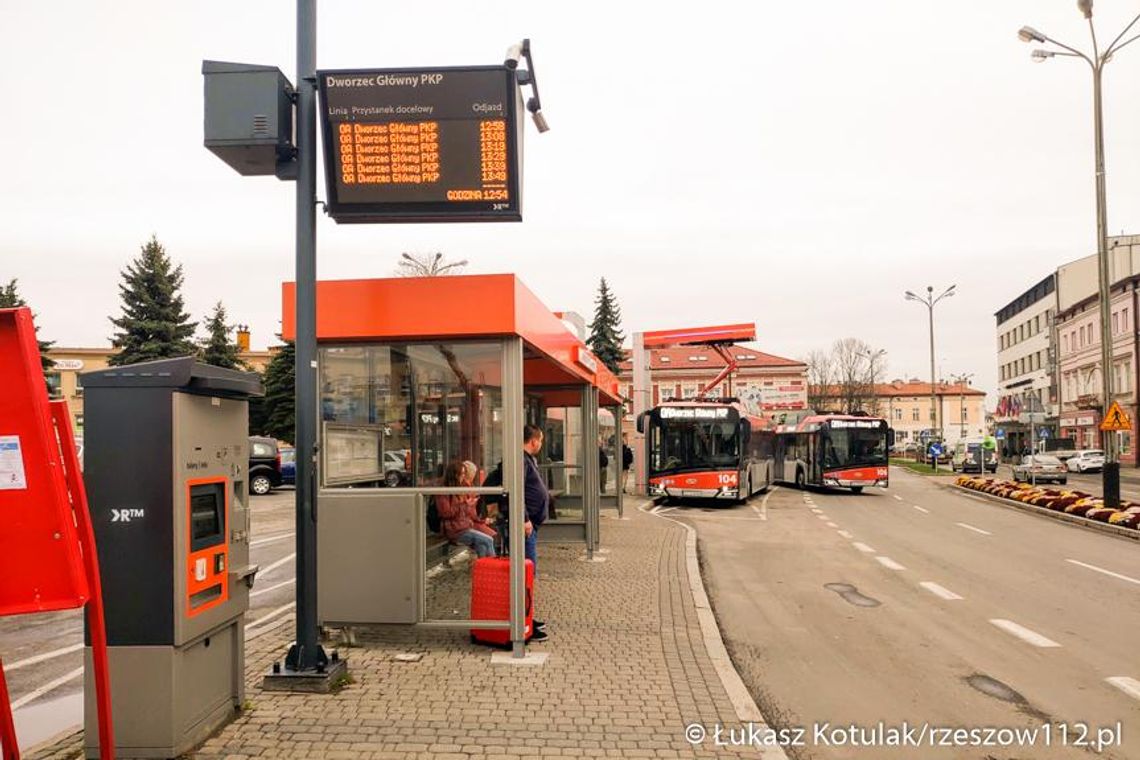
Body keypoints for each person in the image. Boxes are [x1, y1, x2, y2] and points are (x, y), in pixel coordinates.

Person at [434, 460, 496, 558]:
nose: (463, 476)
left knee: (482, 546)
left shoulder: (459, 488)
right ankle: (492, 568)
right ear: (454, 474)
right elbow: (446, 513)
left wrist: (469, 505)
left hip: (463, 526)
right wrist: (464, 504)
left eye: (464, 473)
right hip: (454, 529)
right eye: (461, 474)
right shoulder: (443, 491)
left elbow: (465, 511)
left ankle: (484, 570)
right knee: (488, 540)